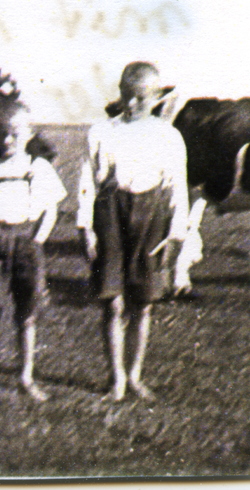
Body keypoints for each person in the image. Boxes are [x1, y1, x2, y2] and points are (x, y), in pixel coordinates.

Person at [76, 61, 188, 401]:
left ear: (155, 98)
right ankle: (117, 379)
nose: (132, 104)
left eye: (140, 98)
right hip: (110, 213)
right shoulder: (102, 131)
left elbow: (177, 187)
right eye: (126, 96)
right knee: (112, 302)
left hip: (151, 217)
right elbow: (86, 184)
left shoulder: (168, 136)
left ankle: (136, 375)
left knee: (143, 303)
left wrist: (176, 233)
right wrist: (85, 227)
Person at [0, 103, 66, 401]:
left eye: (15, 134)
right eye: (3, 134)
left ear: (28, 135)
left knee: (27, 313)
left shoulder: (38, 168)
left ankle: (26, 376)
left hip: (27, 244)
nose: (8, 141)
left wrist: (39, 240)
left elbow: (51, 210)